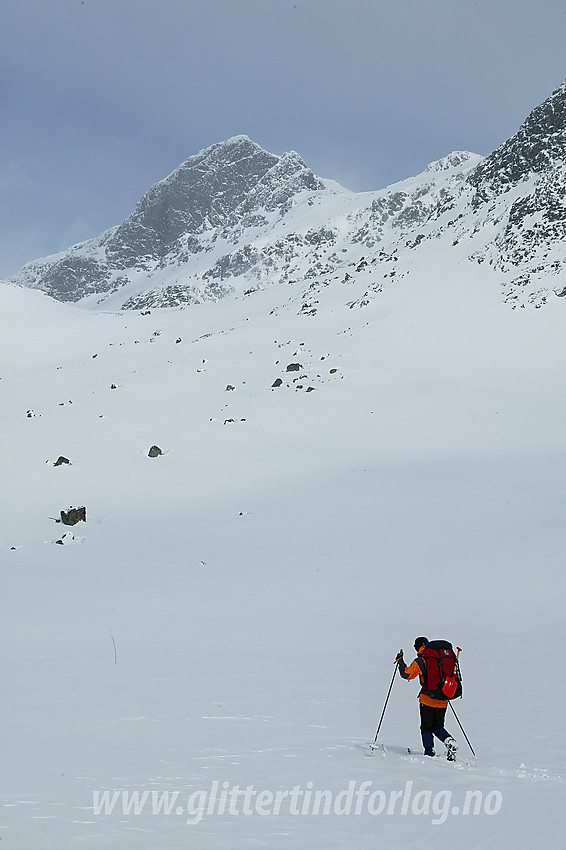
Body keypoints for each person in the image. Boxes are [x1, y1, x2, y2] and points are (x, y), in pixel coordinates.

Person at [395, 637, 458, 759]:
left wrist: (400, 662)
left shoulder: (421, 660)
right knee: (438, 726)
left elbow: (406, 674)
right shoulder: (440, 658)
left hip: (427, 699)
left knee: (426, 727)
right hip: (443, 698)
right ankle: (449, 740)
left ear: (418, 647)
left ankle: (429, 752)